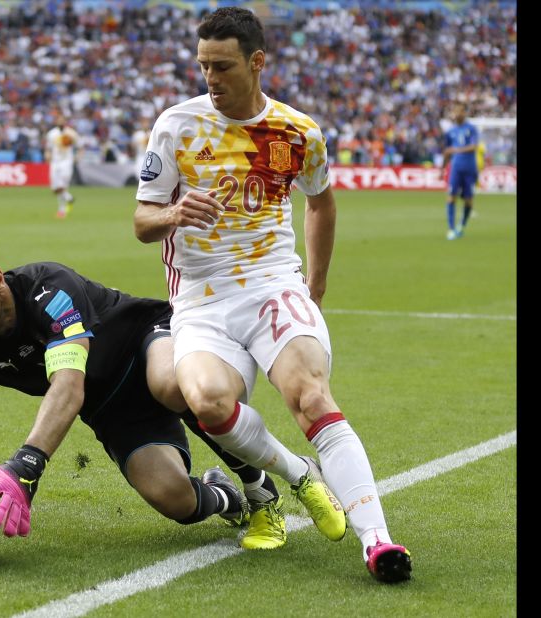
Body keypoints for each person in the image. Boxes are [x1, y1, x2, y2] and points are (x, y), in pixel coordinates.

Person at [132, 7, 411, 582]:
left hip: (271, 284)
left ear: (257, 62)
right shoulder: (175, 126)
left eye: (223, 66)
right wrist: (175, 212)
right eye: (203, 65)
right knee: (207, 402)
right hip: (201, 301)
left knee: (309, 395)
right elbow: (141, 220)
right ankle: (299, 475)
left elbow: (321, 202)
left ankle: (379, 541)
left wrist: (317, 280)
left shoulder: (297, 131)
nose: (210, 78)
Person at [0, 233, 294, 549]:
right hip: (111, 406)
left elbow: (69, 386)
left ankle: (261, 491)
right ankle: (226, 496)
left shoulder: (47, 288)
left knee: (171, 385)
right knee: (173, 500)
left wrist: (26, 466)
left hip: (148, 341)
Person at [442, 103, 480, 240]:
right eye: (455, 111)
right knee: (451, 196)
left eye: (460, 111)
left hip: (470, 169)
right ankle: (451, 229)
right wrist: (442, 168)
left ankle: (461, 226)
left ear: (464, 113)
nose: (457, 114)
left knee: (468, 200)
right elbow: (447, 151)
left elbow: (474, 146)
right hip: (456, 169)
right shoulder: (450, 131)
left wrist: (456, 150)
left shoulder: (471, 129)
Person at [44, 113, 80, 219]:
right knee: (55, 188)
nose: (60, 122)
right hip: (55, 161)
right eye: (58, 120)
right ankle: (69, 198)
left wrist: (77, 157)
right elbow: (48, 148)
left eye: (62, 120)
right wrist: (47, 156)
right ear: (56, 121)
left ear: (65, 121)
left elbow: (80, 146)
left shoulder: (71, 133)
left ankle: (61, 210)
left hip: (66, 161)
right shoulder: (51, 134)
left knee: (62, 186)